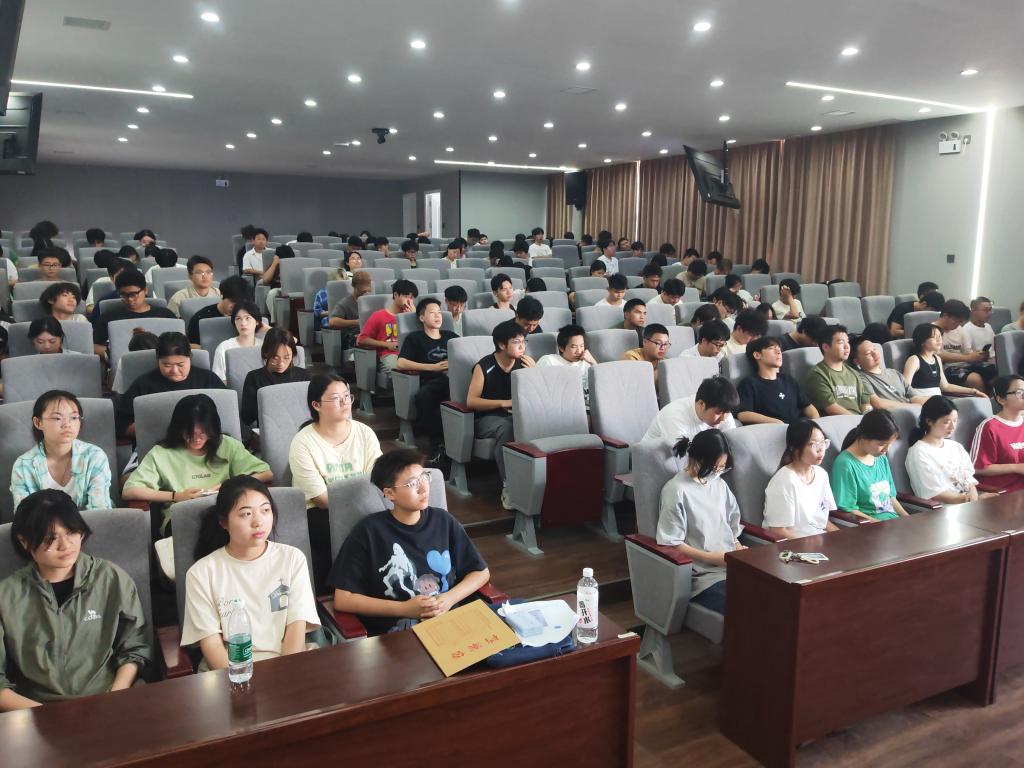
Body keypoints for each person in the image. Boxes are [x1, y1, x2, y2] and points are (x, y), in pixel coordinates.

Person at [0, 490, 150, 710]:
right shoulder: (6, 596)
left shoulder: (111, 578)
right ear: (24, 541)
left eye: (71, 532)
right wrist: (45, 716)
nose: (65, 545)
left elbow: (134, 649)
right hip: (36, 711)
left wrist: (115, 698)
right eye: (50, 538)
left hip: (109, 701)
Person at [329, 448, 489, 636]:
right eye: (413, 483)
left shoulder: (443, 521)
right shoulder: (369, 531)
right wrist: (404, 609)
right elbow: (343, 599)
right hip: (396, 635)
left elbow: (481, 572)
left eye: (424, 477)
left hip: (449, 627)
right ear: (390, 493)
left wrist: (448, 599)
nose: (423, 488)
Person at [182, 476, 320, 669]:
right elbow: (212, 646)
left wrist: (285, 675)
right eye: (246, 514)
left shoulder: (292, 559)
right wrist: (242, 681)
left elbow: (296, 629)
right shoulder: (201, 573)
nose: (258, 522)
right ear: (223, 522)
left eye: (265, 510)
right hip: (231, 672)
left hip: (288, 665)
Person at [122, 394, 271, 529]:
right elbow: (129, 491)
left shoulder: (226, 444)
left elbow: (266, 474)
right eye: (189, 433)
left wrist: (229, 486)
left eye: (203, 433)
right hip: (182, 518)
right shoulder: (162, 453)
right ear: (178, 429)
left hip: (225, 514)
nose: (197, 439)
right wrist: (176, 496)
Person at [656, 429, 744, 615]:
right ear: (697, 459)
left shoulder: (719, 484)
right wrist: (714, 558)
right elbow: (671, 543)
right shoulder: (676, 490)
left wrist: (737, 548)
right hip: (703, 576)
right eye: (714, 468)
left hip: (731, 565)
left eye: (722, 468)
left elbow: (731, 526)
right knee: (745, 605)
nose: (717, 473)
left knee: (772, 595)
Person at [288, 373, 382, 510]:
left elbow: (377, 481)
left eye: (346, 396)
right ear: (316, 405)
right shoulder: (302, 442)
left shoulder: (365, 432)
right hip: (322, 511)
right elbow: (322, 500)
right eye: (335, 398)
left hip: (363, 506)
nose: (344, 402)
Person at [467, 320, 534, 508]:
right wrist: (503, 403)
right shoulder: (484, 366)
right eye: (516, 342)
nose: (522, 347)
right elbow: (471, 401)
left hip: (516, 415)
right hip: (486, 418)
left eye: (523, 342)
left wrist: (535, 373)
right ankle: (509, 485)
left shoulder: (525, 364)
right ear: (502, 345)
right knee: (508, 427)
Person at [11, 391, 112, 510]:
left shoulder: (94, 456)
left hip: (91, 523)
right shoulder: (23, 465)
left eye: (74, 417)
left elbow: (100, 512)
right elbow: (24, 516)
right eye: (57, 418)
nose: (67, 424)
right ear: (38, 423)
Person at [115, 332, 225, 437]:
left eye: (180, 364)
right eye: (167, 365)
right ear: (157, 360)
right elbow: (121, 424)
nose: (174, 371)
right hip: (159, 443)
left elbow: (226, 412)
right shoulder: (143, 384)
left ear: (190, 358)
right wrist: (155, 430)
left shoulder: (208, 379)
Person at [396, 298, 458, 459]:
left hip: (455, 380)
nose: (438, 316)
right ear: (422, 317)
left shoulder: (451, 337)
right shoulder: (415, 338)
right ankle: (437, 444)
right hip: (431, 381)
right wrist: (433, 367)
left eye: (439, 312)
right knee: (425, 396)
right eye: (432, 313)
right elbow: (401, 363)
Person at [760, 419, 840, 540]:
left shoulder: (821, 474)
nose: (821, 449)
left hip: (818, 540)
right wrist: (809, 547)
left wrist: (843, 537)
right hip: (795, 544)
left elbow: (822, 521)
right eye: (813, 444)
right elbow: (778, 530)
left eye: (823, 442)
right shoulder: (785, 481)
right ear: (793, 447)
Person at [830, 409, 910, 521]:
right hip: (869, 526)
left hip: (892, 523)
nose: (886, 450)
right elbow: (848, 508)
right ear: (864, 437)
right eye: (882, 444)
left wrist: (909, 519)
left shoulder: (881, 458)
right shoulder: (845, 465)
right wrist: (878, 523)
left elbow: (891, 498)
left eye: (890, 444)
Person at [906, 396, 985, 504]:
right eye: (946, 422)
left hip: (967, 503)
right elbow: (935, 494)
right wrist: (973, 500)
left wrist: (975, 496)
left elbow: (969, 480)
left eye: (955, 421)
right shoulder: (919, 452)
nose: (952, 426)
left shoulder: (956, 447)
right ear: (929, 421)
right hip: (944, 509)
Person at [92, 269, 175, 358]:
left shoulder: (165, 315)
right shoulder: (109, 317)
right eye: (123, 295)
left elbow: (179, 341)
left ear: (145, 290)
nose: (130, 299)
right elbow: (94, 346)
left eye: (133, 294)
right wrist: (111, 354)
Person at [736, 337, 819, 425]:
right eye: (771, 348)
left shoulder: (788, 379)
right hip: (773, 430)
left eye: (779, 349)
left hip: (801, 427)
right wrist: (776, 422)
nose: (778, 352)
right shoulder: (749, 383)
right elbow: (743, 414)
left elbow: (806, 405)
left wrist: (816, 422)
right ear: (757, 355)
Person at [240, 329, 310, 427]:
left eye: (286, 357)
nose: (281, 363)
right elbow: (247, 418)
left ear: (293, 354)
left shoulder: (304, 376)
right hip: (269, 429)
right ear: (266, 353)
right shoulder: (254, 377)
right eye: (275, 358)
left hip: (300, 429)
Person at [643, 375, 738, 443]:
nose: (723, 418)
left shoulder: (722, 409)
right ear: (701, 404)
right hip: (654, 460)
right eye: (718, 413)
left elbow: (732, 442)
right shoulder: (675, 417)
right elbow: (681, 457)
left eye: (727, 412)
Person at [971, 374, 1024, 494]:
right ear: (1001, 399)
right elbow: (978, 468)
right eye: (1019, 392)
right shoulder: (990, 427)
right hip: (1002, 492)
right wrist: (1016, 467)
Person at [903, 323, 987, 399]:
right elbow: (905, 388)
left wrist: (973, 391)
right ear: (922, 341)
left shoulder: (937, 359)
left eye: (940, 336)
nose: (939, 340)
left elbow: (945, 386)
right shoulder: (914, 360)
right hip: (920, 401)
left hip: (938, 400)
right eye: (934, 337)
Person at [801, 324, 871, 415]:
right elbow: (832, 408)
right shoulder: (817, 375)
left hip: (859, 420)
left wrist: (868, 416)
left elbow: (865, 402)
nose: (847, 346)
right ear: (826, 347)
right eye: (841, 342)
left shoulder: (854, 373)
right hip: (838, 421)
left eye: (847, 342)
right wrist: (859, 421)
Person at [849, 335, 927, 409]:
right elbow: (877, 403)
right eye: (868, 353)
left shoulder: (894, 373)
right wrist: (913, 407)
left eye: (874, 349)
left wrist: (930, 402)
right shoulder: (860, 378)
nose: (875, 353)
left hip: (914, 411)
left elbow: (914, 397)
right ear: (857, 361)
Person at [357, 279, 418, 374]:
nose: (409, 301)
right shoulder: (379, 316)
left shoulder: (415, 316)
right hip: (390, 355)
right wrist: (387, 344)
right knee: (403, 372)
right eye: (406, 296)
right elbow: (362, 340)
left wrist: (413, 317)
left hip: (410, 354)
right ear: (395, 295)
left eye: (412, 297)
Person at [942, 296, 997, 388]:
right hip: (954, 367)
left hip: (971, 364)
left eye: (960, 322)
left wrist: (976, 356)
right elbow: (938, 355)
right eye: (985, 310)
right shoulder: (935, 331)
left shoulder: (960, 329)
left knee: (993, 372)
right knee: (976, 379)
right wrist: (970, 357)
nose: (989, 313)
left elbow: (968, 352)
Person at [537, 324, 596, 407]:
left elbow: (602, 386)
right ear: (561, 348)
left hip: (588, 405)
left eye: (582, 346)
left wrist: (593, 363)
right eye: (574, 347)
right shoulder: (549, 361)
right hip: (561, 405)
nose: (579, 351)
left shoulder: (587, 362)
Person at [211, 299, 268, 382]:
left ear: (257, 321)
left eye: (247, 318)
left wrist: (268, 329)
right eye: (238, 319)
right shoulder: (224, 347)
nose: (243, 323)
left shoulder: (264, 345)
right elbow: (219, 380)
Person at [187, 275, 252, 346]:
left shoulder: (249, 318)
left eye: (240, 303)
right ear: (222, 294)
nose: (235, 307)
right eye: (232, 301)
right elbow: (192, 346)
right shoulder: (200, 318)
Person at [260, 244, 296, 326]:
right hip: (278, 290)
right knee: (272, 293)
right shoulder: (274, 266)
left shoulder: (294, 265)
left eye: (276, 255)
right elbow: (265, 280)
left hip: (292, 290)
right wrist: (274, 263)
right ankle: (276, 322)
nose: (274, 257)